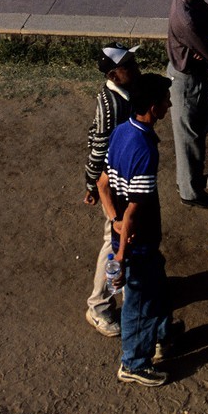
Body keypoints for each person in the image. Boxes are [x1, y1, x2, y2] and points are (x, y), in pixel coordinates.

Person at [97, 72, 174, 387]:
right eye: (166, 101)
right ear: (154, 108)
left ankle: (160, 334)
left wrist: (112, 219)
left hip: (129, 237)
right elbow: (133, 211)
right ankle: (133, 363)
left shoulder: (120, 133)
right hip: (137, 243)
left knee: (155, 286)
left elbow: (102, 184)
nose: (170, 104)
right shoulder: (145, 149)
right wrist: (121, 256)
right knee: (138, 303)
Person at [83, 44, 140, 336]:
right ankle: (99, 307)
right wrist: (91, 183)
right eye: (128, 65)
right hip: (114, 184)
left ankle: (127, 290)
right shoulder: (111, 104)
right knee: (113, 241)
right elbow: (98, 145)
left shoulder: (122, 94)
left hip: (124, 180)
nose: (135, 67)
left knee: (123, 238)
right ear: (114, 75)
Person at [166, 0, 208, 204]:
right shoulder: (186, 18)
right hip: (186, 80)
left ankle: (190, 182)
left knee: (195, 132)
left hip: (194, 75)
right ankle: (190, 193)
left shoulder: (190, 2)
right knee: (188, 138)